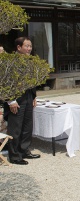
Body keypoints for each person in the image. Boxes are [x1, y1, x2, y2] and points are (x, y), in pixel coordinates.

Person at [5, 37, 41, 165]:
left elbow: (33, 81)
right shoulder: (10, 61)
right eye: (26, 46)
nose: (29, 48)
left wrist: (34, 96)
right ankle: (14, 156)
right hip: (16, 98)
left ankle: (24, 150)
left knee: (27, 126)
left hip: (28, 96)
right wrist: (11, 100)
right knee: (15, 127)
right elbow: (5, 81)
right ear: (19, 47)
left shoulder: (30, 61)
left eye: (30, 46)